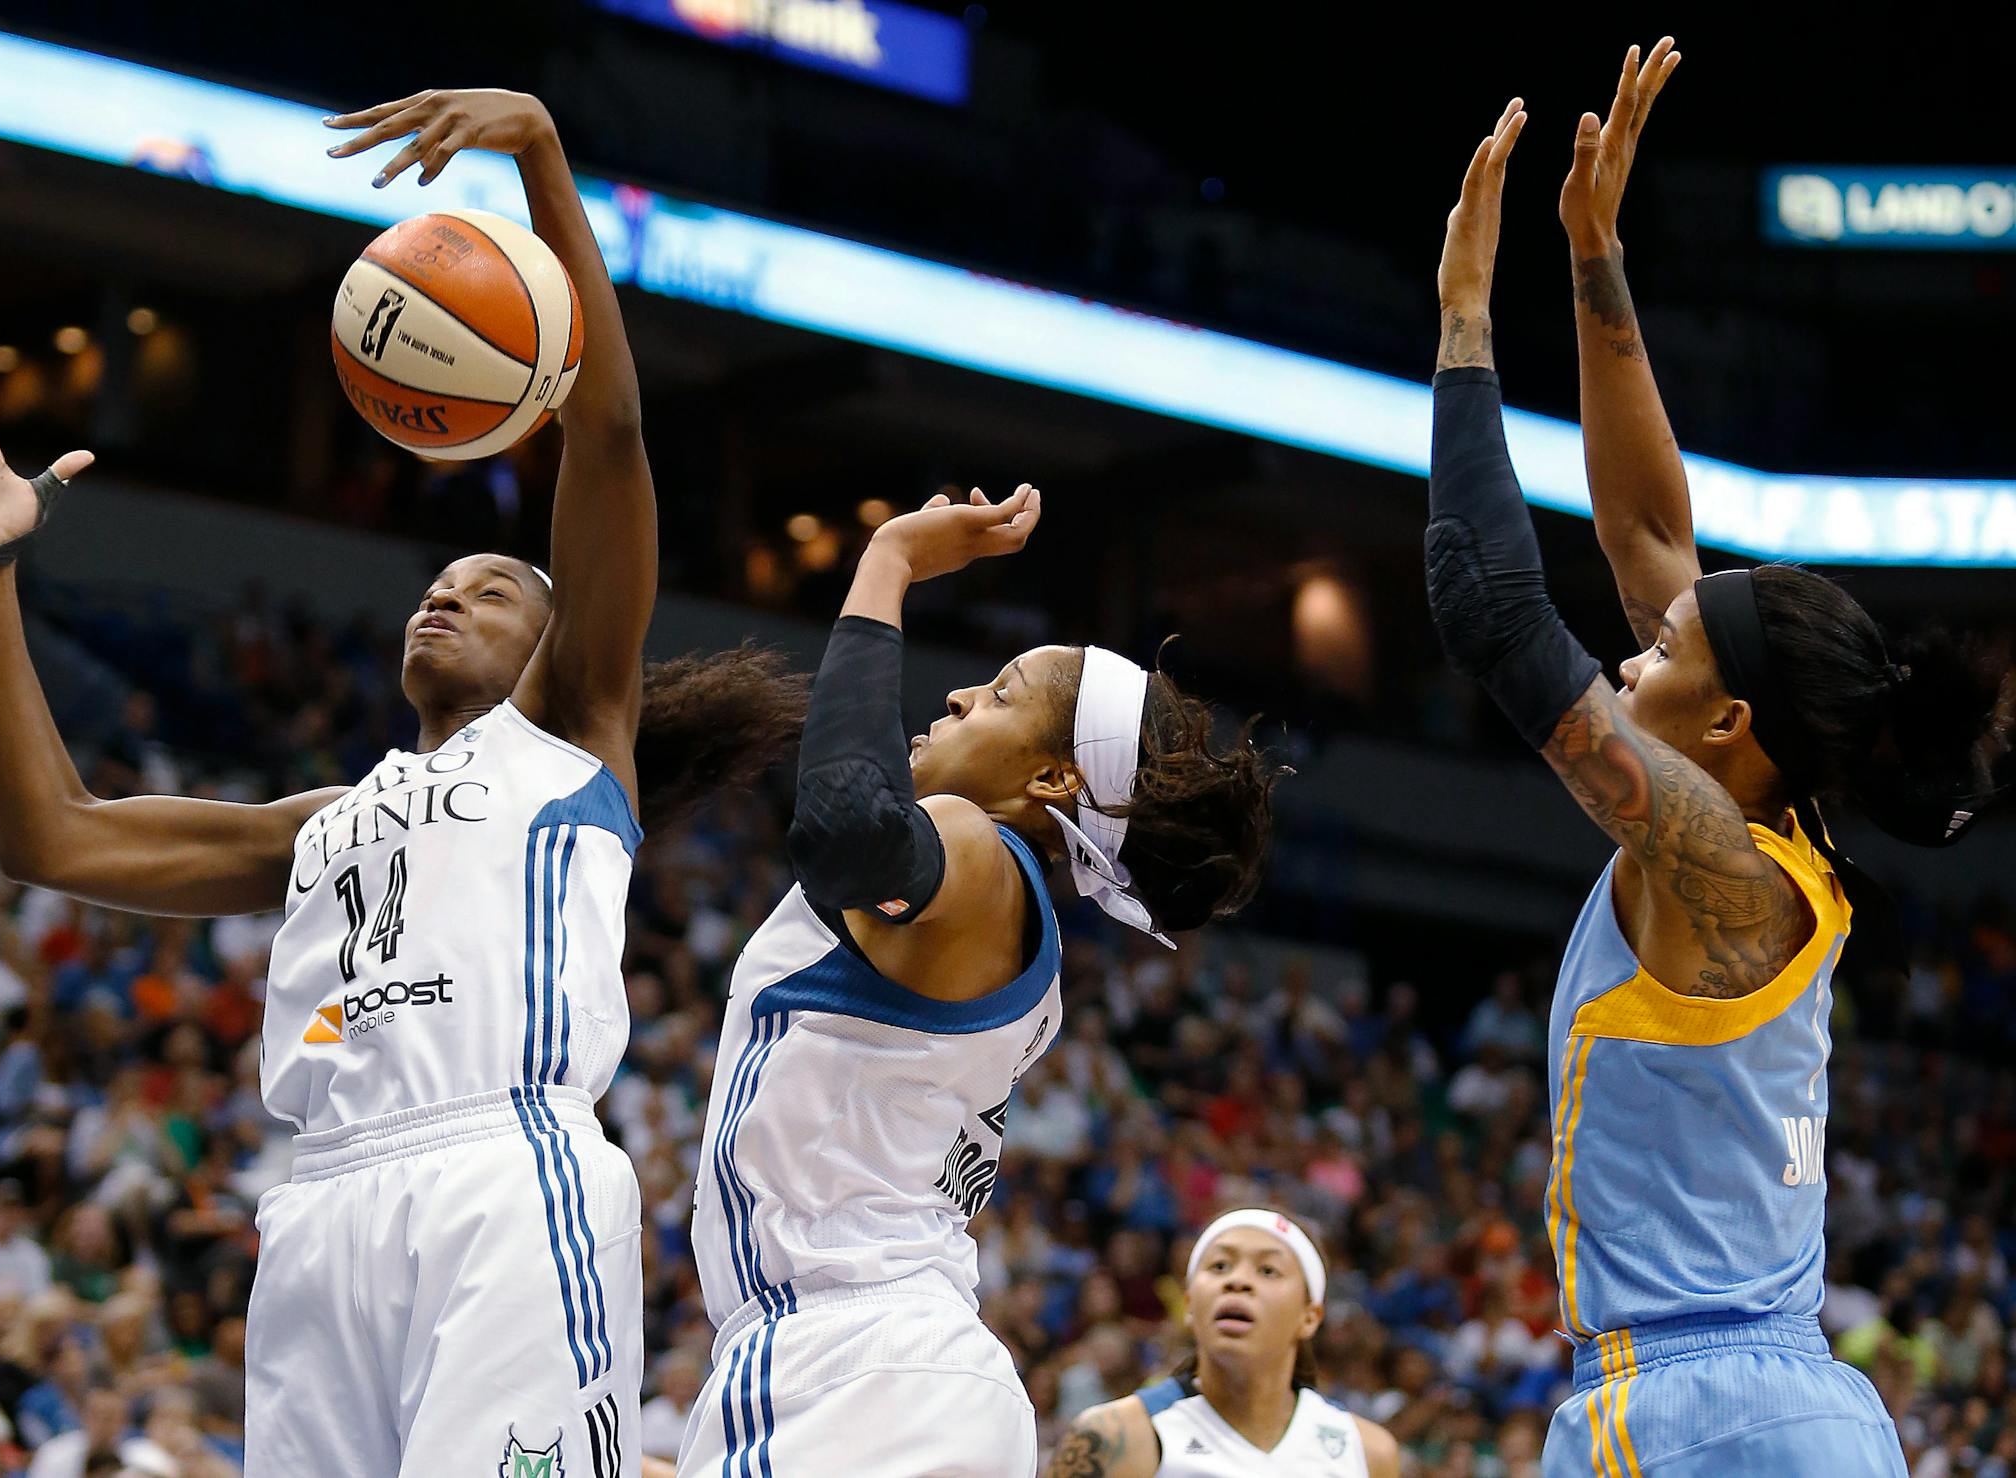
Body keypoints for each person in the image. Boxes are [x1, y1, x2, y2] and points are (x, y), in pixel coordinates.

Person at [0, 88, 801, 1478]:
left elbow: (608, 440)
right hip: (318, 1206)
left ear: (563, 644)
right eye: (440, 581)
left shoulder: (566, 741)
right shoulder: (324, 823)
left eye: (492, 586)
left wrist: (544, 160)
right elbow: (51, 836)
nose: (448, 592)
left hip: (503, 1173)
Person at [1427, 47, 2010, 1476]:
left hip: (1692, 1414)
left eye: (1659, 653)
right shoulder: (1774, 828)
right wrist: (1593, 258)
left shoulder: (1709, 858)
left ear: (1726, 720)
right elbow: (1645, 538)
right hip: (1800, 1410)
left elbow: (1491, 605)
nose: (1630, 657)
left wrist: (1459, 326)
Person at [678, 489, 1283, 1474]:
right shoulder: (1008, 930)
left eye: (1000, 695)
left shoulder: (975, 848)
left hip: (852, 1362)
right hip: (896, 1370)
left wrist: (886, 564)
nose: (958, 697)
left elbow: (844, 824)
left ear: (1051, 781)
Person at [1053, 1210, 1397, 1476]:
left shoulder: (1367, 1452)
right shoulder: (1112, 1437)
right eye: (1220, 1266)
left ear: (1310, 1316)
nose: (1237, 1281)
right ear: (1189, 1306)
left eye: (1268, 1271)